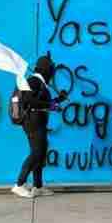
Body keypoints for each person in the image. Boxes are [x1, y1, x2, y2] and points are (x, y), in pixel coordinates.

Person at [12, 54, 67, 199]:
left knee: (41, 154)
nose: (52, 73)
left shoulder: (39, 82)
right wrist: (52, 105)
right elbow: (30, 101)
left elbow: (41, 103)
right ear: (45, 70)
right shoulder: (34, 81)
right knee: (37, 153)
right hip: (33, 122)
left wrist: (58, 100)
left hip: (39, 122)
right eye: (51, 70)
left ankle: (38, 186)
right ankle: (19, 184)